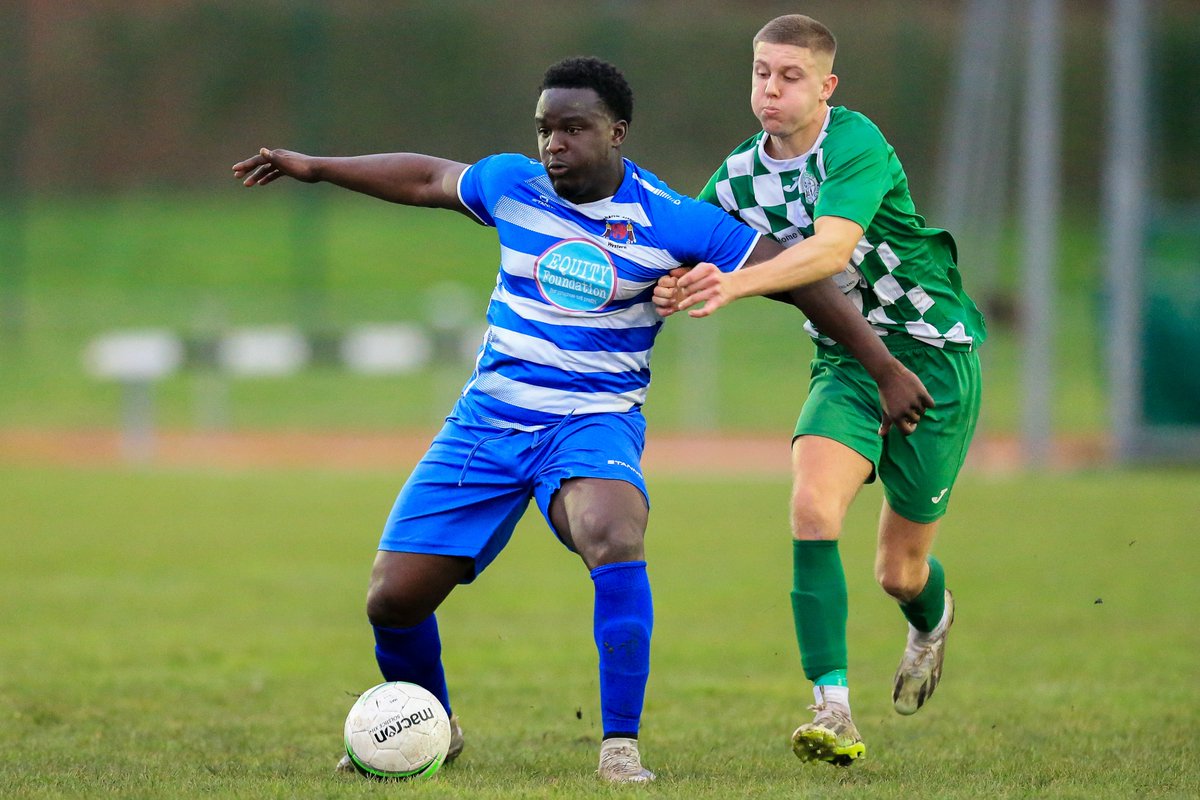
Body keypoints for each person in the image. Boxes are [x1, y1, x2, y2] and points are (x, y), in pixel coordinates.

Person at [233, 56, 930, 783]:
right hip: (489, 421)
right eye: (544, 130)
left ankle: (619, 747)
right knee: (392, 599)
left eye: (573, 128)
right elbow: (424, 177)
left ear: (616, 132)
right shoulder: (513, 186)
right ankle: (433, 728)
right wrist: (313, 167)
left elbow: (799, 276)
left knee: (613, 531)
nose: (553, 145)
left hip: (593, 423)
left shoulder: (673, 220)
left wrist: (883, 368)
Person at [654, 15, 986, 767]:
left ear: (826, 87)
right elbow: (680, 239)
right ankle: (832, 708)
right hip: (845, 363)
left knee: (897, 573)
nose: (771, 89)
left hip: (933, 359)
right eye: (761, 73)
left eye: (790, 76)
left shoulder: (855, 144)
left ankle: (931, 621)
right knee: (810, 506)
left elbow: (832, 246)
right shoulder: (739, 174)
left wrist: (732, 283)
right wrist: (668, 281)